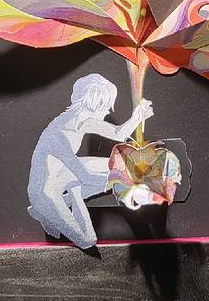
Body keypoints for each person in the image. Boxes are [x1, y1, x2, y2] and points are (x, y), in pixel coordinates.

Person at [27, 73, 153, 249]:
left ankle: (51, 206)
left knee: (119, 166)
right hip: (45, 192)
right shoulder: (59, 135)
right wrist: (127, 181)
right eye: (107, 106)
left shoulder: (82, 121)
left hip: (63, 174)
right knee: (87, 240)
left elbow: (118, 133)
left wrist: (138, 117)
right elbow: (86, 177)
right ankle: (65, 198)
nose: (108, 111)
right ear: (94, 104)